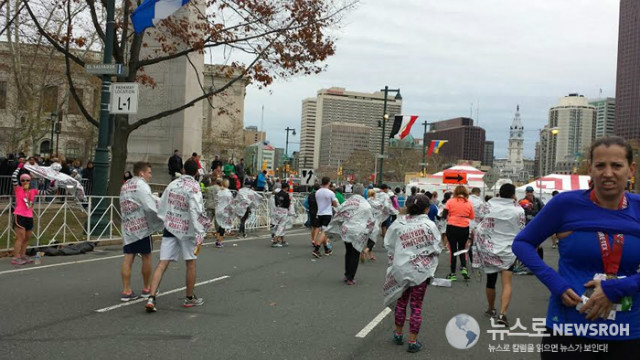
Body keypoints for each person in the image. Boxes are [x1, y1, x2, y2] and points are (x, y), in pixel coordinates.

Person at [514, 136, 640, 355]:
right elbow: (522, 243)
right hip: (569, 327)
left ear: (631, 169)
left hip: (628, 331)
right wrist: (556, 284)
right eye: (600, 165)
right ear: (590, 169)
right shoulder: (565, 204)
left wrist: (616, 288)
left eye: (617, 165)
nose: (608, 173)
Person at [145, 159, 210, 312]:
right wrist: (200, 229)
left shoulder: (173, 184)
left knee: (162, 263)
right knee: (190, 263)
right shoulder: (194, 187)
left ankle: (151, 297)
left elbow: (163, 204)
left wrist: (165, 219)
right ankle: (189, 297)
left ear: (183, 169)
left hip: (171, 227)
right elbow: (196, 210)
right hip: (188, 230)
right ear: (196, 172)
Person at [383, 194, 441, 353]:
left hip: (400, 269)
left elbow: (388, 243)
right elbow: (437, 248)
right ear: (427, 209)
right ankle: (412, 341)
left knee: (401, 303)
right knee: (416, 306)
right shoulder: (430, 225)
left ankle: (398, 334)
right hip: (420, 272)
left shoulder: (398, 223)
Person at [474, 183, 525, 327]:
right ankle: (503, 314)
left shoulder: (488, 206)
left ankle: (491, 309)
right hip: (509, 249)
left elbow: (477, 221)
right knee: (507, 283)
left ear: (499, 193)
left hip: (489, 248)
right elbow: (522, 229)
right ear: (513, 194)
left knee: (490, 281)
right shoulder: (518, 210)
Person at [119, 162, 163, 302]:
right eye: (149, 172)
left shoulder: (125, 185)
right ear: (141, 173)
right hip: (142, 226)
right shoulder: (142, 185)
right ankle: (147, 288)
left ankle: (126, 290)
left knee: (128, 257)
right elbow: (149, 206)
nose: (150, 175)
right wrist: (161, 217)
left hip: (128, 226)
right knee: (146, 256)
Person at [326, 194, 375, 285]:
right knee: (355, 253)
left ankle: (347, 274)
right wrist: (369, 231)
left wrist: (336, 225)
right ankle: (350, 278)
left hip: (347, 229)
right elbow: (371, 219)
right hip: (358, 231)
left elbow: (339, 212)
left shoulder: (348, 202)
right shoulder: (366, 204)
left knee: (348, 251)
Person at [443, 185, 475, 281]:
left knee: (453, 250)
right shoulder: (469, 203)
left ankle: (453, 273)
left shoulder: (450, 201)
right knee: (462, 248)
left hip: (452, 227)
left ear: (455, 192)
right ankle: (464, 268)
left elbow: (444, 215)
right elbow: (472, 217)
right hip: (464, 228)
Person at [312, 177, 338, 258]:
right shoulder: (330, 193)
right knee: (324, 232)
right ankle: (317, 249)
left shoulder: (317, 192)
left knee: (323, 231)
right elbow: (335, 204)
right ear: (329, 183)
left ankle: (326, 249)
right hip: (327, 213)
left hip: (319, 213)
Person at [215, 179, 234, 248]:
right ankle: (219, 241)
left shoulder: (219, 191)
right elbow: (231, 202)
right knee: (223, 226)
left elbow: (216, 200)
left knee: (219, 225)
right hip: (225, 210)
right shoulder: (228, 193)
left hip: (218, 209)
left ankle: (217, 239)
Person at [272, 182, 292, 247]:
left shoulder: (277, 194)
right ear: (286, 188)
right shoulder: (286, 195)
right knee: (282, 225)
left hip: (277, 210)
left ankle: (282, 240)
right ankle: (275, 240)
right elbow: (287, 204)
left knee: (279, 225)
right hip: (283, 210)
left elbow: (275, 203)